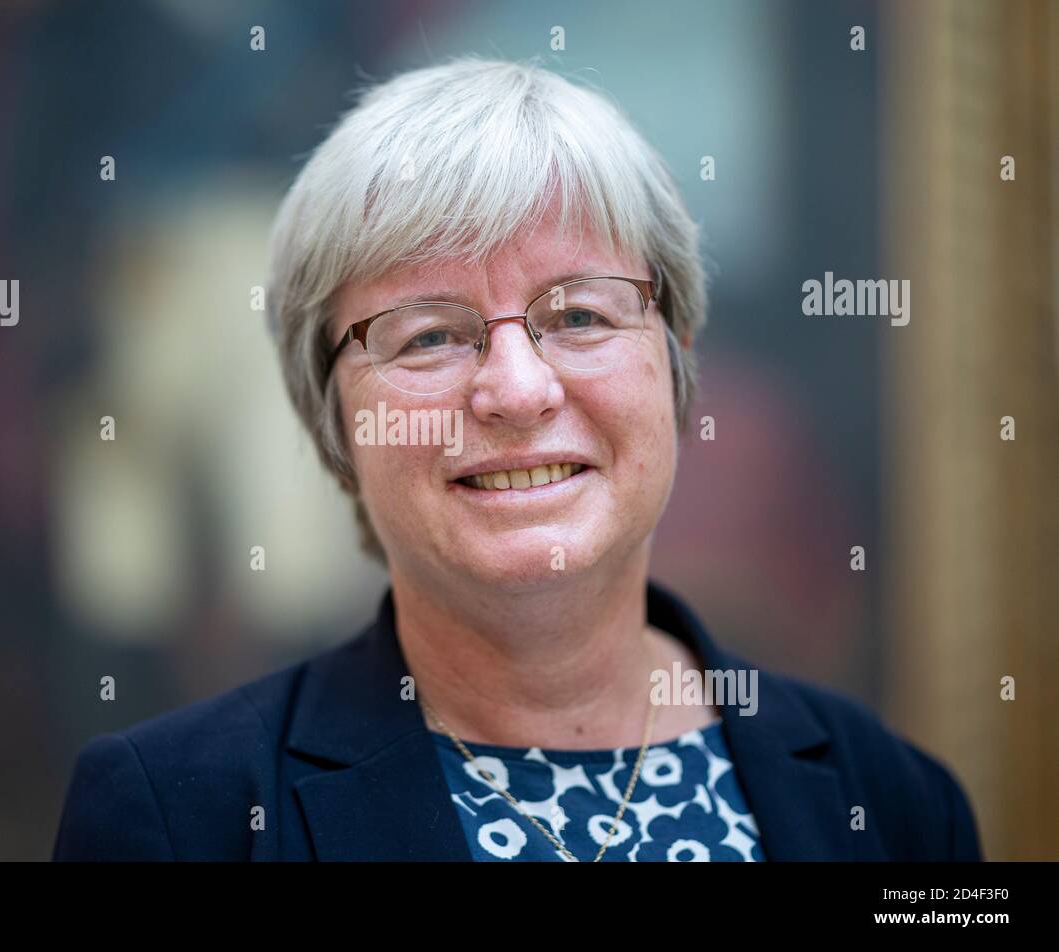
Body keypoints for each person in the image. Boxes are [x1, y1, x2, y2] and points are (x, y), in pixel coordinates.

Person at [52, 57, 982, 862]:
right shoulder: (178, 815)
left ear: (676, 361)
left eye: (580, 316)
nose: (518, 390)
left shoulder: (897, 805)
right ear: (331, 420)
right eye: (427, 337)